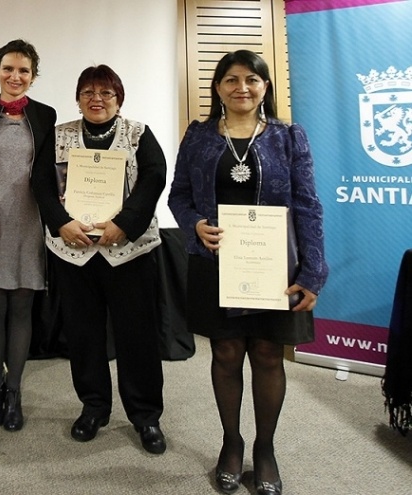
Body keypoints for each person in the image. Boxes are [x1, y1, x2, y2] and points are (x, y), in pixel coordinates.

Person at [168, 50, 328, 495]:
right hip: (216, 263)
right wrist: (194, 225)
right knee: (225, 354)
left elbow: (308, 205)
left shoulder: (289, 137)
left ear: (265, 87)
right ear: (218, 87)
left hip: (275, 267)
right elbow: (179, 195)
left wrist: (314, 270)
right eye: (232, 79)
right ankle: (231, 442)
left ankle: (265, 448)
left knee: (267, 355)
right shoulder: (198, 136)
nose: (242, 87)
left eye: (252, 79)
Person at [31, 65, 167, 454]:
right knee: (84, 334)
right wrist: (60, 223)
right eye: (88, 92)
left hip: (128, 252)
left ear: (118, 99)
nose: (97, 99)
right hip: (75, 253)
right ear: (77, 98)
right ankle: (93, 407)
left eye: (106, 93)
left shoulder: (138, 134)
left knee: (136, 336)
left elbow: (154, 178)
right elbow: (40, 183)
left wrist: (125, 223)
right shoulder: (59, 136)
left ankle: (146, 416)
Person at [0, 39, 56, 432]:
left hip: (30, 221)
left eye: (23, 70)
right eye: (8, 69)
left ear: (33, 76)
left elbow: (53, 172)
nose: (15, 77)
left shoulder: (47, 115)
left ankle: (14, 391)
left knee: (21, 310)